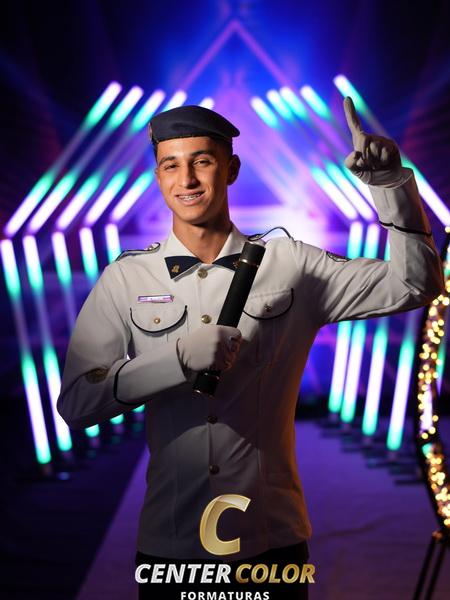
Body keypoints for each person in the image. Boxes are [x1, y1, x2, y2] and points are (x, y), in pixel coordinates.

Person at [57, 99, 445, 599]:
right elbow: (78, 403)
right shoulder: (125, 278)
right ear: (157, 177)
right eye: (171, 165)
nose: (186, 179)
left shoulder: (291, 264)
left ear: (231, 168)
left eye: (202, 161)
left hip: (272, 541)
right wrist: (174, 361)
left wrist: (391, 186)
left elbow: (415, 284)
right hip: (171, 546)